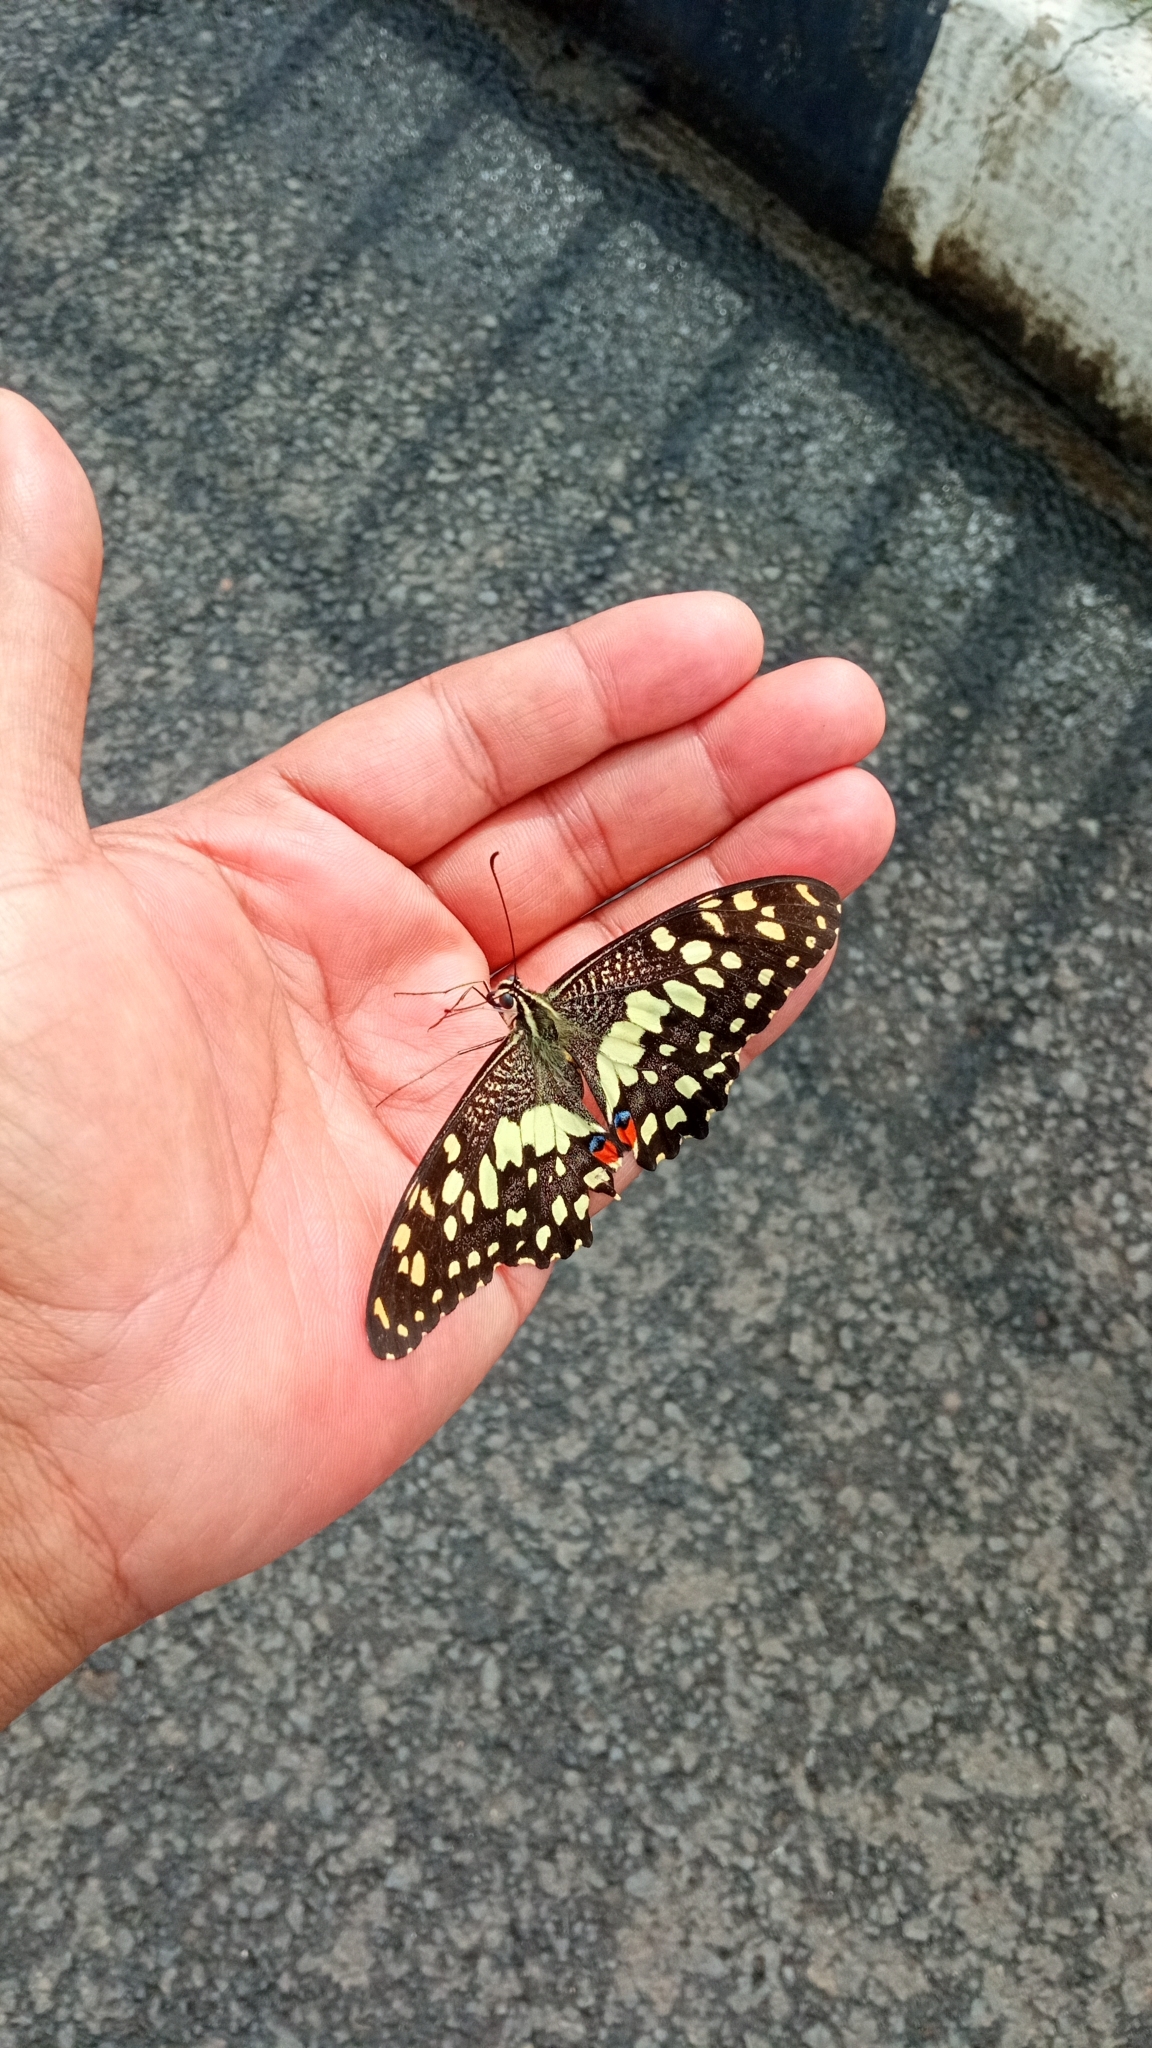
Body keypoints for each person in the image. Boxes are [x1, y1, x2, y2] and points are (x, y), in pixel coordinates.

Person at [0, 389, 894, 1724]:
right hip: (620, 1057)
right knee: (637, 1051)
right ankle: (632, 1111)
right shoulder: (571, 1011)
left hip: (546, 1105)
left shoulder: (490, 1091)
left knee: (603, 1071)